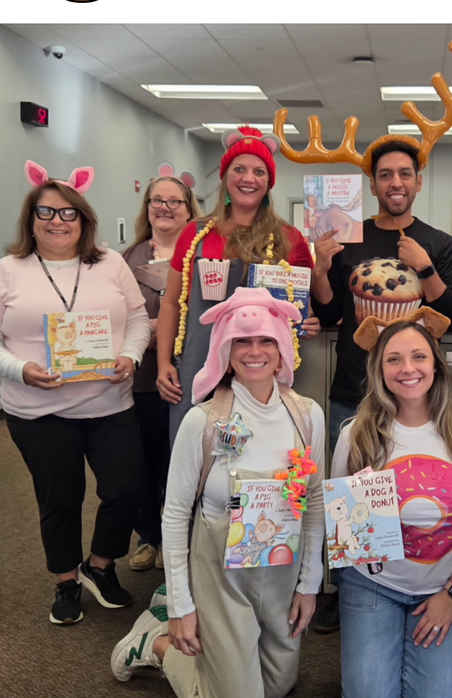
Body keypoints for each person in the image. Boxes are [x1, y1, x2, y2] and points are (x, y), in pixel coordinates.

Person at [110, 288, 325, 698]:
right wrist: (184, 608)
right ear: (224, 351)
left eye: (266, 340)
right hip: (221, 573)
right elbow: (174, 516)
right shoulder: (203, 421)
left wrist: (309, 584)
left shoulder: (307, 415)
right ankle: (158, 644)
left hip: (281, 572)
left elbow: (315, 501)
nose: (254, 352)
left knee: (276, 688)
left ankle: (216, 647)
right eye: (241, 342)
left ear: (283, 348)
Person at [311, 139, 452, 632]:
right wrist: (319, 266)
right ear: (373, 184)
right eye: (385, 175)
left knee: (406, 486)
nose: (395, 183)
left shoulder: (439, 242)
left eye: (405, 174)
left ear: (418, 182)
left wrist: (424, 266)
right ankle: (348, 585)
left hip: (413, 391)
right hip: (355, 385)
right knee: (352, 489)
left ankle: (400, 582)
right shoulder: (349, 238)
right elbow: (329, 312)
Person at [332, 307, 452, 698]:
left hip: (447, 583)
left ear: (436, 364)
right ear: (379, 369)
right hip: (374, 582)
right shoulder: (357, 434)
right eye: (394, 359)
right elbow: (345, 524)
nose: (407, 368)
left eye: (418, 357)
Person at [0, 161, 151, 624]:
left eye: (68, 213)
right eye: (45, 213)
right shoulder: (9, 269)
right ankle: (66, 581)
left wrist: (131, 357)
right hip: (37, 411)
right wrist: (19, 369)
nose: (57, 222)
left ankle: (100, 566)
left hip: (109, 404)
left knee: (126, 489)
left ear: (84, 219)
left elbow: (140, 320)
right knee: (60, 498)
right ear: (30, 220)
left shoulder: (110, 263)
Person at [155, 127, 315, 444]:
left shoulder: (289, 238)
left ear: (269, 182)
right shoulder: (195, 233)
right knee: (196, 448)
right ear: (225, 177)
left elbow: (304, 305)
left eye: (259, 171)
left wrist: (308, 320)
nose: (248, 178)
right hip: (198, 361)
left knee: (258, 449)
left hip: (259, 366)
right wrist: (162, 363)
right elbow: (171, 303)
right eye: (239, 169)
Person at [124, 171, 202, 572]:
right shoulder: (129, 256)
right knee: (145, 461)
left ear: (189, 210)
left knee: (183, 462)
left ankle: (182, 539)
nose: (165, 208)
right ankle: (148, 537)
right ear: (147, 206)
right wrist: (141, 332)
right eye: (158, 200)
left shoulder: (203, 252)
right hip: (141, 378)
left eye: (175, 201)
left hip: (188, 375)